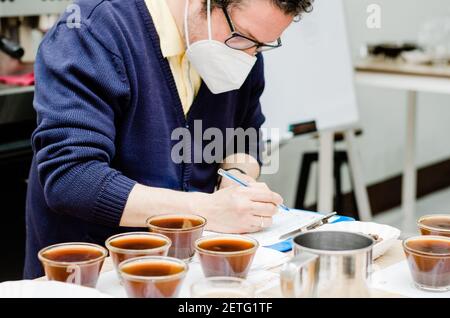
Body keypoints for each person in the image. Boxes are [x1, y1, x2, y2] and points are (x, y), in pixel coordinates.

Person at [24, 0, 313, 278]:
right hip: (90, 274)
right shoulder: (92, 31)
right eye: (245, 37)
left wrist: (235, 176)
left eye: (262, 46)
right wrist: (209, 210)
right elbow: (72, 179)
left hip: (187, 270)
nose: (249, 55)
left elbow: (245, 131)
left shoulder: (238, 51)